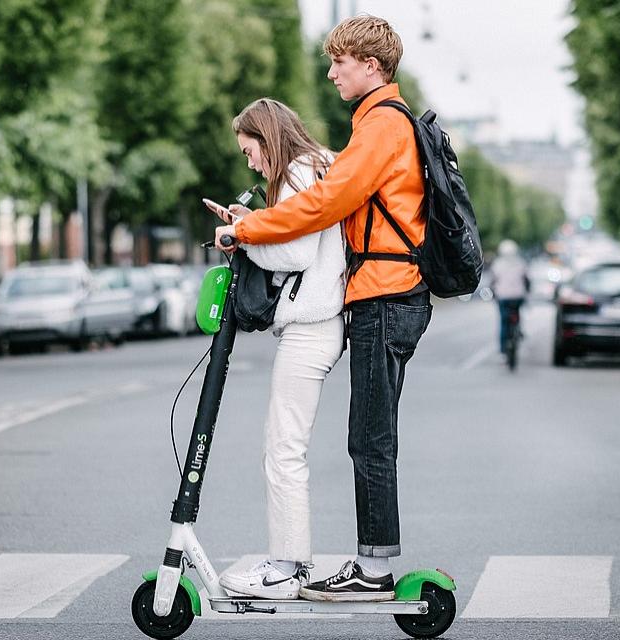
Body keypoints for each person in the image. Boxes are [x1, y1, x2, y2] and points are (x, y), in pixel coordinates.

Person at [214, 14, 427, 603]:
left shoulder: (383, 125)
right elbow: (330, 195)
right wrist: (251, 225)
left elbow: (325, 205)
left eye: (341, 61)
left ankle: (374, 571)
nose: (331, 72)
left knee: (371, 439)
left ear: (373, 65)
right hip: (377, 296)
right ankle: (368, 565)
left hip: (387, 293)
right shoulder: (370, 127)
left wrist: (250, 229)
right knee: (366, 435)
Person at [205, 99, 345, 600]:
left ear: (268, 138)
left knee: (283, 450)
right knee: (286, 447)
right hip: (320, 322)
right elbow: (292, 233)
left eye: (249, 150)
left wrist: (241, 235)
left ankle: (287, 568)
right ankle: (291, 562)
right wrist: (255, 222)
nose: (249, 162)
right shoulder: (317, 166)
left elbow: (295, 251)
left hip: (311, 324)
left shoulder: (297, 172)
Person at [489, 239, 529, 352]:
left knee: (504, 322)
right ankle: (518, 330)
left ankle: (503, 350)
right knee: (516, 313)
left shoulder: (497, 264)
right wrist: (526, 291)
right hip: (518, 296)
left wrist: (493, 294)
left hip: (503, 297)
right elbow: (526, 280)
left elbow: (493, 281)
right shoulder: (521, 263)